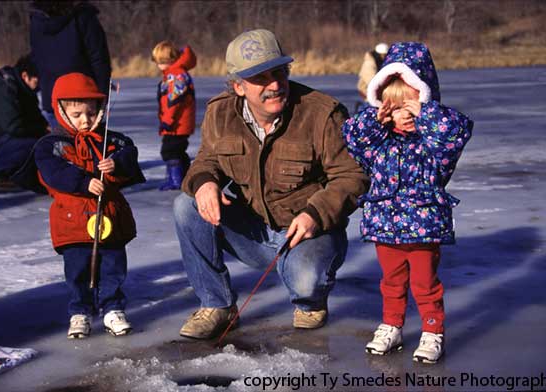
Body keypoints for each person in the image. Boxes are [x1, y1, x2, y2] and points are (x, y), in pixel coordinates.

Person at [173, 29, 369, 340]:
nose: (275, 85)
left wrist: (315, 214)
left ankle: (310, 301)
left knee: (305, 282)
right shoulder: (219, 112)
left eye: (279, 72)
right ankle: (218, 305)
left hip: (308, 234)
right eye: (261, 78)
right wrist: (204, 183)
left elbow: (352, 176)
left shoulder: (322, 114)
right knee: (187, 205)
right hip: (253, 233)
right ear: (238, 86)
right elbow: (206, 161)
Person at [342, 42, 473, 363]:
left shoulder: (434, 146)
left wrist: (425, 111)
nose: (406, 113)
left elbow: (456, 131)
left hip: (424, 228)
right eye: (397, 107)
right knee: (391, 282)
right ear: (384, 108)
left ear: (427, 101)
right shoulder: (377, 144)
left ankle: (432, 331)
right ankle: (391, 326)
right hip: (384, 227)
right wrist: (376, 119)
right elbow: (351, 136)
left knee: (424, 284)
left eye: (413, 104)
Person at [28, 73, 145, 339]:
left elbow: (130, 153)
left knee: (113, 266)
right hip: (73, 223)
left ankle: (113, 308)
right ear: (61, 111)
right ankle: (80, 311)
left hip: (110, 220)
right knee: (78, 269)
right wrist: (83, 181)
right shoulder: (53, 145)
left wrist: (117, 163)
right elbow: (52, 171)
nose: (86, 120)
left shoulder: (112, 141)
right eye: (78, 113)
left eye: (91, 113)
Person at [30, 1, 111, 127]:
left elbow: (36, 59)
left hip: (52, 99)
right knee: (86, 145)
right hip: (84, 102)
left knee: (59, 144)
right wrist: (102, 98)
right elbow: (100, 60)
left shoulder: (37, 21)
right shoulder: (83, 17)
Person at [0, 54, 48, 189]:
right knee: (32, 146)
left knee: (43, 142)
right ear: (26, 75)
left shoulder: (22, 86)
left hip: (2, 135)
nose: (39, 87)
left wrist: (46, 129)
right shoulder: (3, 87)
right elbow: (13, 126)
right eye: (37, 82)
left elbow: (34, 115)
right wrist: (40, 130)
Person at [151, 40, 197, 190]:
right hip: (178, 123)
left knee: (170, 150)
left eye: (161, 62)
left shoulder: (176, 75)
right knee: (178, 150)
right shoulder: (173, 73)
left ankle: (176, 179)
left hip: (177, 124)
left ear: (170, 60)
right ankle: (183, 176)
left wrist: (167, 121)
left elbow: (174, 102)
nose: (158, 65)